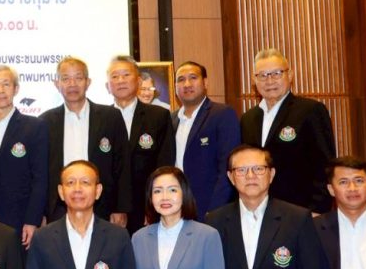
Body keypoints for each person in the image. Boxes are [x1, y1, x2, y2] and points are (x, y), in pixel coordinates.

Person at [239, 49, 336, 214]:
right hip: (259, 211)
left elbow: (325, 165)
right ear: (254, 80)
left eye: (276, 73)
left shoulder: (310, 110)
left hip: (301, 210)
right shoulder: (248, 119)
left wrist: (317, 210)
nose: (270, 81)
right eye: (263, 75)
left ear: (290, 75)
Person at [40, 56, 129, 225]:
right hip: (58, 207)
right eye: (66, 79)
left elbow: (122, 164)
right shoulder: (45, 121)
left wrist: (120, 207)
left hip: (103, 204)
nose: (72, 84)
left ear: (88, 82)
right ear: (57, 84)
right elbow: (41, 172)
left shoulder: (110, 117)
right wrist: (41, 212)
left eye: (78, 78)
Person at [0, 64, 48, 249]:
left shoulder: (35, 127)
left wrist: (32, 220)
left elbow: (40, 178)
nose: (0, 90)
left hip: (20, 216)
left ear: (16, 89)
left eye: (6, 84)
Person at [108, 56, 175, 234]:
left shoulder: (158, 116)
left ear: (138, 81)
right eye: (115, 76)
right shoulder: (99, 119)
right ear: (107, 85)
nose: (121, 80)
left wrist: (153, 205)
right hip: (108, 210)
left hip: (146, 207)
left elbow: (164, 164)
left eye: (126, 75)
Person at [173, 61, 239, 218]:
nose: (187, 84)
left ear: (205, 82)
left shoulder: (222, 114)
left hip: (210, 207)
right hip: (177, 206)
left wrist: (215, 209)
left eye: (193, 78)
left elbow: (228, 166)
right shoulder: (171, 120)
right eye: (181, 79)